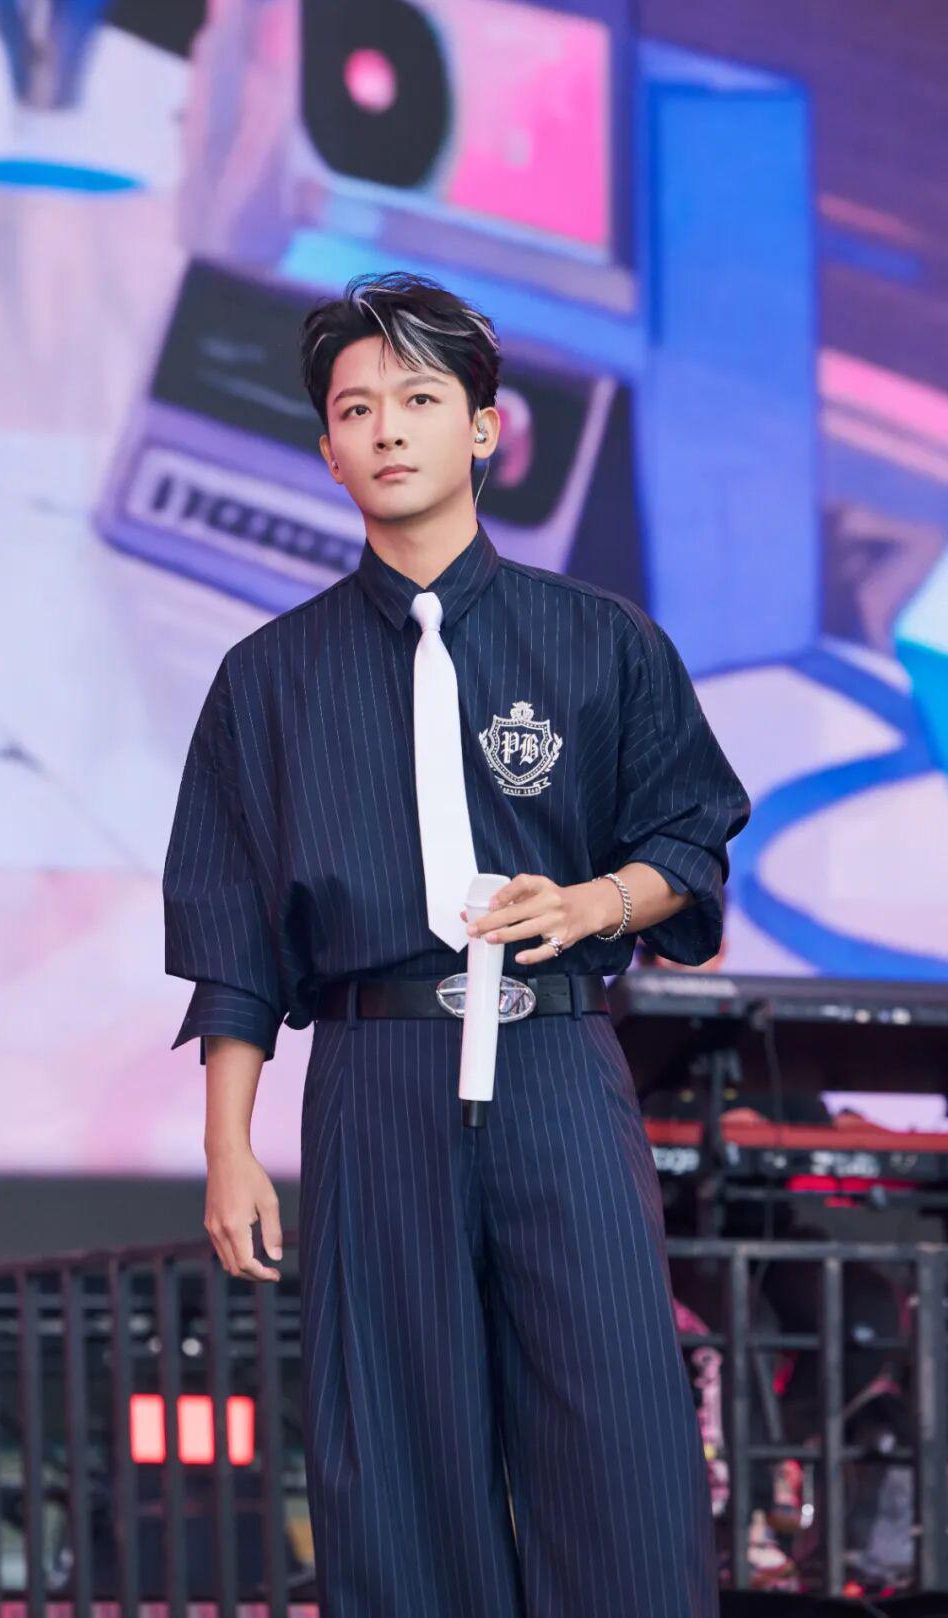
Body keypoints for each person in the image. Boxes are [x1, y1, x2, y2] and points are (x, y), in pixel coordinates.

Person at [162, 269, 751, 1618]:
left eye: (420, 399)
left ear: (485, 428)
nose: (387, 428)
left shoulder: (597, 641)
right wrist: (228, 1145)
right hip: (375, 1077)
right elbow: (234, 933)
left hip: (555, 1059)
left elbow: (690, 838)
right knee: (394, 1451)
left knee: (615, 1432)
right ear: (326, 448)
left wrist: (591, 905)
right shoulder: (268, 679)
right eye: (355, 408)